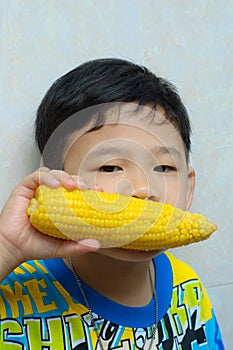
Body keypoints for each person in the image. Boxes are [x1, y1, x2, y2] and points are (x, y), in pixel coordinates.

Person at [0, 58, 224, 349]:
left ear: (189, 187)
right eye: (110, 167)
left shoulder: (189, 289)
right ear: (54, 184)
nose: (144, 189)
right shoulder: (13, 292)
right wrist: (6, 247)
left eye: (165, 167)